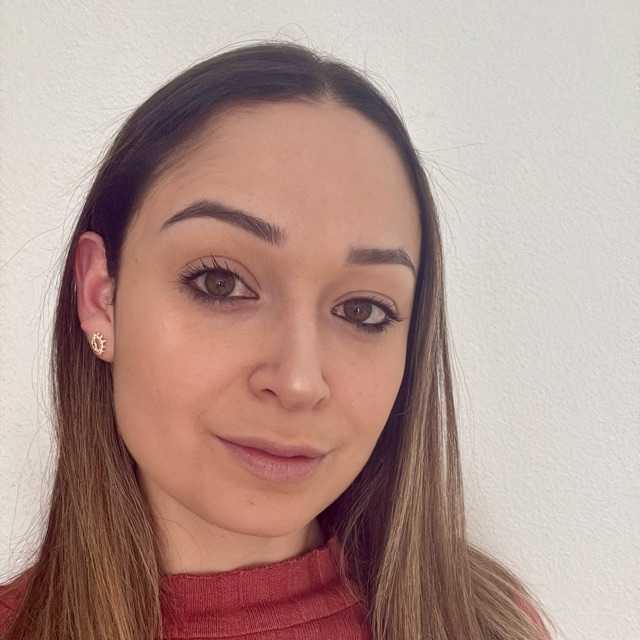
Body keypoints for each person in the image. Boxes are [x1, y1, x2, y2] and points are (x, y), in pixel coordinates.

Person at [0, 41, 554, 639]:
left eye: (364, 310)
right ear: (99, 295)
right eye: (219, 282)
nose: (298, 382)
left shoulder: (486, 623)